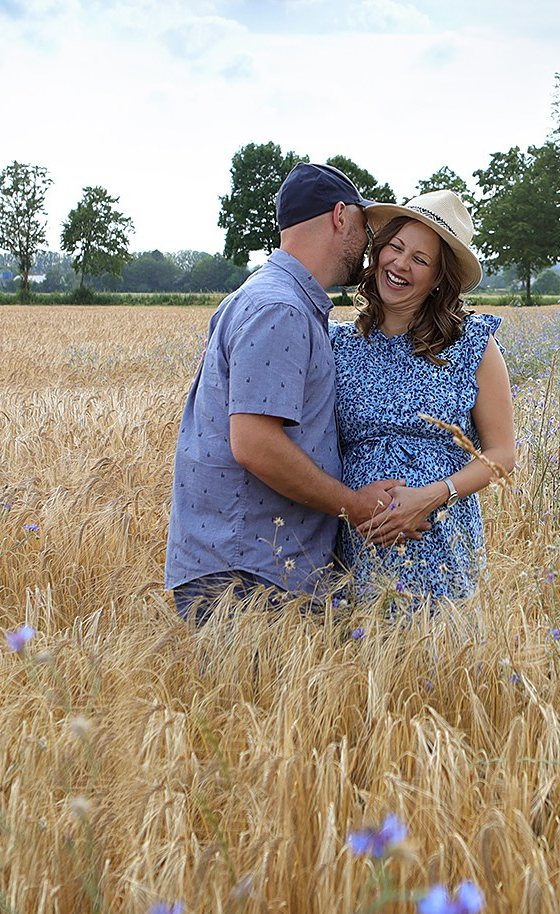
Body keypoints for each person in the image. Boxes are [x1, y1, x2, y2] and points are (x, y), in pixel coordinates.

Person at [165, 162, 402, 620]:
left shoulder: (269, 297)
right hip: (249, 574)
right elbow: (255, 444)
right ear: (339, 216)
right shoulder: (281, 308)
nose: (368, 244)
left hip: (247, 566)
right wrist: (353, 506)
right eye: (363, 224)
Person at [334, 189, 518, 604]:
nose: (400, 264)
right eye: (395, 248)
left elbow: (502, 455)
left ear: (438, 279)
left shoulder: (474, 344)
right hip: (359, 543)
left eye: (420, 259)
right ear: (377, 252)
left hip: (442, 543)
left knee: (443, 665)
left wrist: (432, 496)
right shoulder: (336, 344)